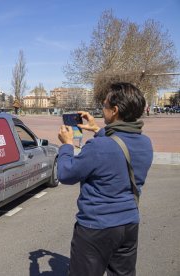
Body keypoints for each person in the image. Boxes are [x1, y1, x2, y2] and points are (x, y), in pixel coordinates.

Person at [57, 82, 153, 276]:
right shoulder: (145, 143)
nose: (103, 107)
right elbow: (118, 146)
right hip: (129, 224)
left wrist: (66, 145)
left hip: (96, 227)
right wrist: (96, 128)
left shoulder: (98, 147)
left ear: (115, 110)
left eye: (105, 105)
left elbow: (65, 174)